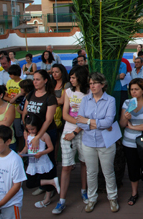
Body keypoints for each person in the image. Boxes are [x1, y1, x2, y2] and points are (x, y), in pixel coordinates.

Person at [76, 72, 119, 213]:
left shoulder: (110, 100)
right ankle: (92, 198)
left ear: (102, 84)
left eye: (95, 83)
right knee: (91, 172)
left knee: (108, 172)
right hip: (88, 142)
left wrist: (88, 121)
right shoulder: (85, 100)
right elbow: (79, 121)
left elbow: (108, 122)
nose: (92, 86)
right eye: (90, 83)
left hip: (105, 142)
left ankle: (112, 197)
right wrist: (96, 124)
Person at [52, 65, 89, 214]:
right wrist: (80, 124)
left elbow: (89, 117)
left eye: (73, 77)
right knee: (66, 166)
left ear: (79, 77)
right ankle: (61, 200)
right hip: (69, 131)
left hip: (83, 133)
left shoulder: (88, 94)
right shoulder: (67, 92)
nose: (71, 80)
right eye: (71, 77)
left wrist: (78, 129)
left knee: (84, 163)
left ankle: (84, 190)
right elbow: (65, 115)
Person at [120, 78, 143, 206]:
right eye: (131, 89)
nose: (133, 92)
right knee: (132, 168)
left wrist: (133, 127)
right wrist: (126, 117)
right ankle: (134, 193)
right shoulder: (127, 103)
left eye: (136, 89)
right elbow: (122, 124)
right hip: (129, 142)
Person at [22, 69, 58, 198]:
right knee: (35, 158)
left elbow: (48, 120)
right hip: (31, 132)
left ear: (45, 80)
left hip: (46, 133)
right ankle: (43, 185)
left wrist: (38, 137)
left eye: (38, 79)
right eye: (34, 79)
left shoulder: (50, 97)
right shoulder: (31, 94)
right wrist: (26, 131)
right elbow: (25, 114)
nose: (35, 82)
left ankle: (50, 187)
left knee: (48, 159)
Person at [0, 126, 27, 219]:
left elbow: (17, 185)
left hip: (11, 205)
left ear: (8, 142)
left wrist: (1, 203)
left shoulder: (15, 160)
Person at [20, 114, 60, 208]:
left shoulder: (44, 135)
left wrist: (41, 153)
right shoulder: (28, 135)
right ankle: (52, 182)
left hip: (43, 162)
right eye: (28, 129)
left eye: (32, 129)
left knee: (45, 176)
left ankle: (47, 199)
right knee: (30, 183)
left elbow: (51, 148)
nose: (30, 131)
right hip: (33, 163)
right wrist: (22, 153)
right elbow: (26, 147)